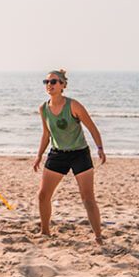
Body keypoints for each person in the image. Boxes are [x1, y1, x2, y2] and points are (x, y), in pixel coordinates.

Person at [32, 69, 106, 244]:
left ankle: (98, 236)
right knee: (43, 195)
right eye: (47, 82)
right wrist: (39, 156)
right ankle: (45, 232)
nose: (49, 85)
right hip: (57, 154)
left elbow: (92, 127)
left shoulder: (74, 105)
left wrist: (100, 148)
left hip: (79, 153)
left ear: (63, 85)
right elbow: (46, 135)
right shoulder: (43, 108)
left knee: (87, 198)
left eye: (54, 82)